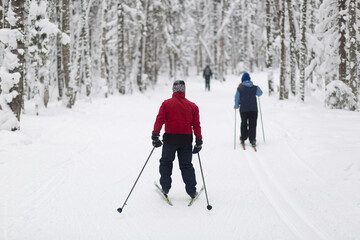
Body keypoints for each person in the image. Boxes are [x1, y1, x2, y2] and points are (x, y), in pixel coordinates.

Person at [152, 80, 203, 199]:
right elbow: (196, 125)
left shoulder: (166, 104)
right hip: (186, 139)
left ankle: (165, 187)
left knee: (166, 162)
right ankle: (191, 191)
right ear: (184, 90)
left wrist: (155, 135)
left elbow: (160, 120)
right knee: (186, 165)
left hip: (170, 138)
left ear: (173, 90)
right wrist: (198, 141)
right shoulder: (193, 106)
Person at [234, 72, 263, 147]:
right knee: (252, 124)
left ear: (242, 80)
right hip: (253, 109)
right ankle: (252, 139)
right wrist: (257, 88)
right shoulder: (254, 87)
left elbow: (236, 98)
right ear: (249, 79)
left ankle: (243, 138)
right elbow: (260, 93)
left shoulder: (240, 88)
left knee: (244, 123)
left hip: (243, 109)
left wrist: (236, 106)